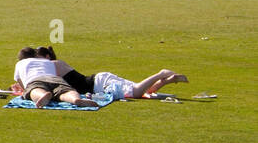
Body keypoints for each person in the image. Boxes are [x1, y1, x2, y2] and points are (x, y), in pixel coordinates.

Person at [37, 47, 187, 101]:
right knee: (143, 92)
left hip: (99, 84)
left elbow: (49, 85)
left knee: (135, 92)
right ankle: (169, 79)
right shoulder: (54, 65)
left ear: (47, 57)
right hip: (100, 80)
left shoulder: (53, 65)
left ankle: (161, 74)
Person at [12, 47, 96, 108]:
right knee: (64, 92)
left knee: (34, 90)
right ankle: (75, 99)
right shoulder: (47, 61)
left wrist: (25, 90)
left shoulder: (20, 63)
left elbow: (20, 80)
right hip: (54, 78)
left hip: (35, 80)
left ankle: (43, 94)